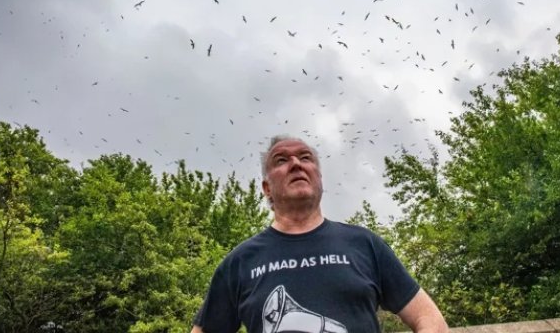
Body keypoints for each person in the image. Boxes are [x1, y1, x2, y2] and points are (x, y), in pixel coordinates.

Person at [191, 135, 449, 333]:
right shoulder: (240, 261)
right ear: (267, 188)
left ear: (319, 178)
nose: (295, 164)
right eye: (281, 160)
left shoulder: (364, 244)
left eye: (305, 158)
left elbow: (431, 319)